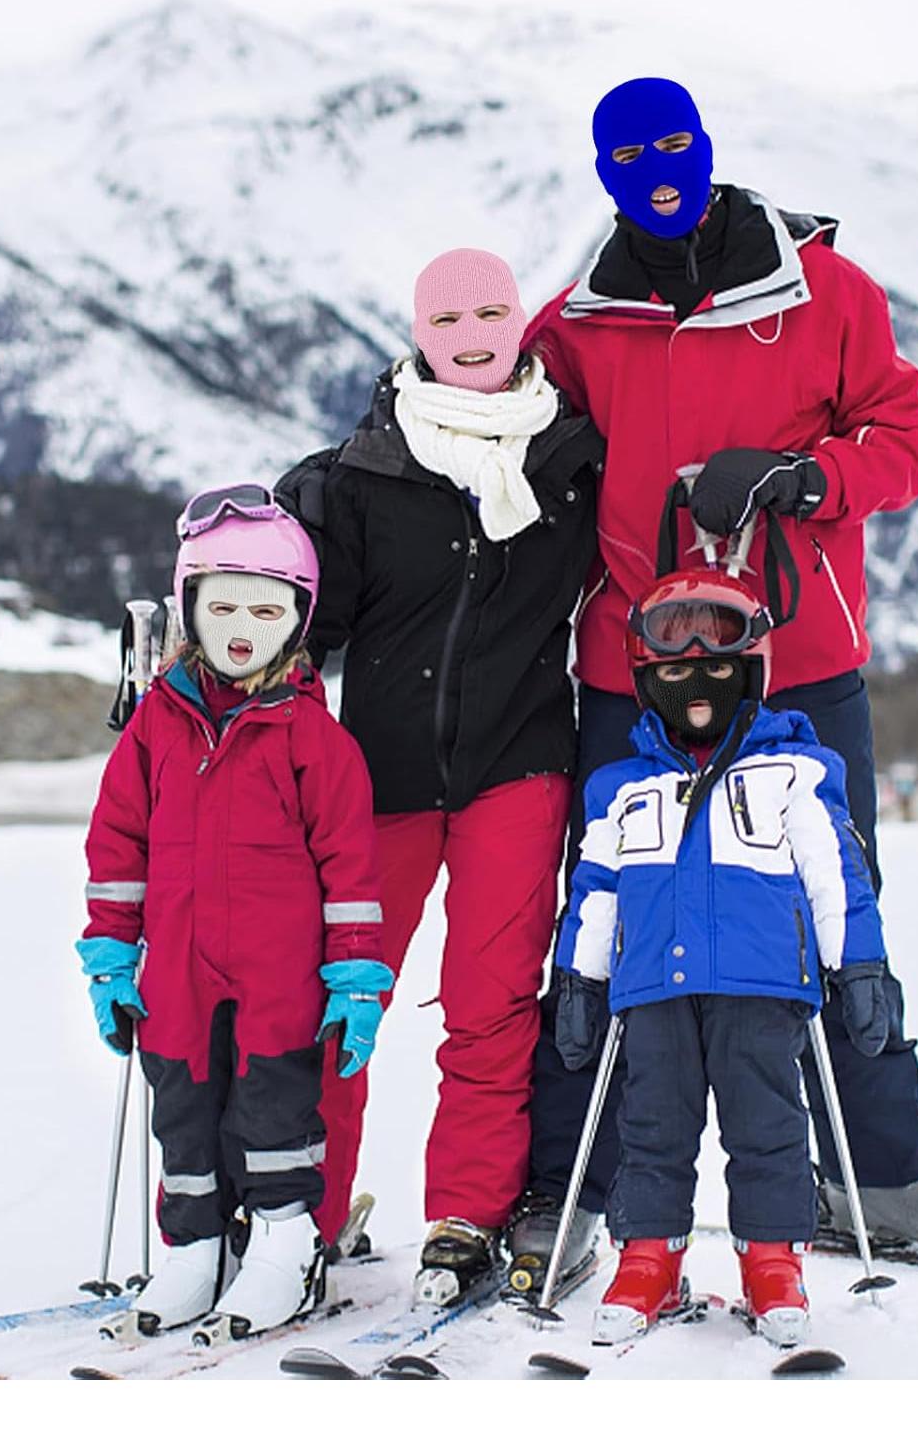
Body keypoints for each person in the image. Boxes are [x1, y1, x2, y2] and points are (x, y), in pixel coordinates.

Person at [509, 74, 918, 1282]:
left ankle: (877, 1174)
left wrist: (805, 479)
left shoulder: (825, 290)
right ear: (604, 171)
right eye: (630, 153)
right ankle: (577, 1188)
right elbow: (494, 436)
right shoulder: (573, 325)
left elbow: (909, 437)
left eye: (675, 143)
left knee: (836, 908)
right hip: (634, 665)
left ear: (708, 146)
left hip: (798, 662)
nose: (659, 167)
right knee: (614, 916)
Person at [277, 247, 603, 1305]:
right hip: (381, 774)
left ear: (521, 320)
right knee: (342, 998)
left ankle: (466, 1213)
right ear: (419, 331)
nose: (471, 332)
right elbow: (297, 633)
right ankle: (305, 1215)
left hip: (520, 763)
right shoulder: (360, 474)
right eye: (448, 316)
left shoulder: (572, 459)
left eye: (491, 311)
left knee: (492, 1004)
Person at [77, 485, 393, 1338]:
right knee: (181, 1104)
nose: (242, 623)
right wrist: (111, 956)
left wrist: (358, 975)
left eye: (265, 606)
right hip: (176, 966)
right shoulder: (155, 727)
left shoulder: (311, 739)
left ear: (299, 618)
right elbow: (117, 848)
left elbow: (352, 871)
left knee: (272, 1109)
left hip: (277, 973)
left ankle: (285, 1245)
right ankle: (194, 1248)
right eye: (222, 605)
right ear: (190, 609)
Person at [555, 566, 888, 1348]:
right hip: (651, 992)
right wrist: (579, 978)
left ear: (753, 673)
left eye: (717, 667)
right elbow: (595, 888)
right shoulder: (620, 788)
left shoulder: (797, 772)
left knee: (768, 1125)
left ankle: (772, 1258)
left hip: (762, 982)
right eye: (673, 669)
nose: (696, 683)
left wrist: (861, 966)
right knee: (651, 1128)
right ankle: (649, 1258)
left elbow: (838, 878)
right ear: (645, 678)